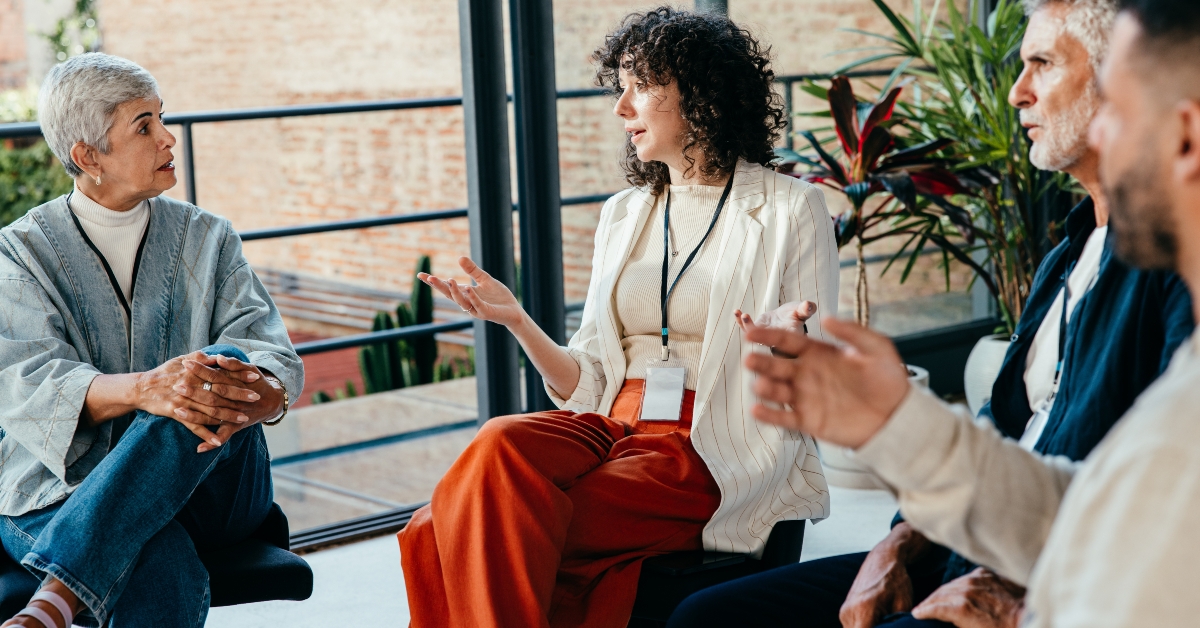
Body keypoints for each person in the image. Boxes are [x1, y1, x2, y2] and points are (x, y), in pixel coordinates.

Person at [668, 0, 1194, 626]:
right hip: (967, 543)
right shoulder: (1066, 254)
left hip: (1031, 579)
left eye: (1043, 65)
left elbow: (1128, 542)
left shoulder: (1167, 285)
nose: (1016, 94)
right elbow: (1021, 442)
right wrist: (897, 534)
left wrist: (1028, 611)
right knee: (704, 618)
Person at [396, 7, 839, 627]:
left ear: (702, 94)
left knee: (440, 527)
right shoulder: (623, 214)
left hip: (709, 442)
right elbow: (593, 376)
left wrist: (787, 348)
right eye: (619, 86)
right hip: (612, 428)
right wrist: (519, 321)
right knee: (500, 440)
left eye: (641, 86)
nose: (620, 107)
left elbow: (820, 376)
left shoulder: (792, 208)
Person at [0, 53, 302, 628]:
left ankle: (53, 602)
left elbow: (271, 356)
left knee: (214, 368)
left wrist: (264, 394)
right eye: (144, 126)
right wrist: (146, 389)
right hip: (53, 494)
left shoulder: (209, 237)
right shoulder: (18, 254)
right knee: (156, 558)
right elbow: (26, 384)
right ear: (88, 156)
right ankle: (81, 572)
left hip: (213, 488)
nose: (168, 139)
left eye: (163, 117)